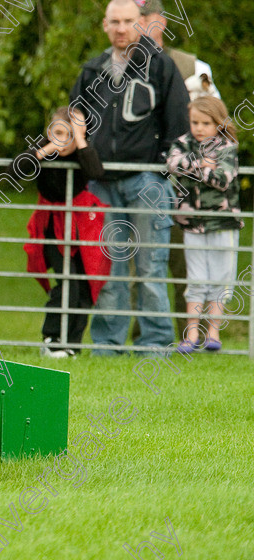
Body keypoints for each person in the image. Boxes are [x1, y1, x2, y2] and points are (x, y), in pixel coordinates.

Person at [70, 0, 190, 354]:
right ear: (104, 25)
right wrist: (84, 151)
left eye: (128, 21)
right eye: (115, 22)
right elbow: (74, 114)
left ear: (141, 25)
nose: (121, 28)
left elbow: (178, 123)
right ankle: (108, 344)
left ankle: (155, 344)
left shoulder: (161, 67)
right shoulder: (93, 70)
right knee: (109, 267)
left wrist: (164, 169)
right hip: (101, 184)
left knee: (151, 266)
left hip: (147, 182)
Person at [136, 0, 221, 338]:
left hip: (186, 181)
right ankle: (141, 336)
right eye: (133, 18)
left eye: (145, 18)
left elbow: (216, 121)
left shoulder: (194, 66)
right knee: (139, 260)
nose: (138, 26)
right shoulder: (114, 66)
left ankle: (192, 336)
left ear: (161, 21)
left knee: (186, 263)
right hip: (140, 178)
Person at [3, 109, 108, 357]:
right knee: (67, 281)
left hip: (81, 224)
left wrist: (80, 139)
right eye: (58, 132)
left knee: (84, 286)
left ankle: (72, 344)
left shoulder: (84, 152)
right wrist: (45, 150)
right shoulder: (45, 149)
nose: (63, 140)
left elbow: (96, 172)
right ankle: (52, 338)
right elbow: (12, 172)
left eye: (70, 135)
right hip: (53, 226)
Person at [166, 97, 241, 354]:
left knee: (221, 277)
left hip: (222, 223)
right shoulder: (183, 143)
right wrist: (202, 165)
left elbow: (224, 179)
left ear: (218, 123)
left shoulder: (227, 147)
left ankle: (213, 331)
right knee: (196, 277)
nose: (199, 128)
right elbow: (172, 164)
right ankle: (192, 333)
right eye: (195, 122)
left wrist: (194, 168)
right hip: (192, 222)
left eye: (206, 123)